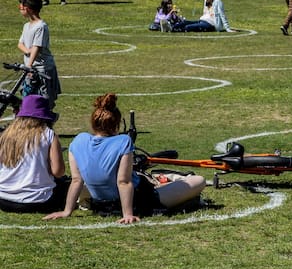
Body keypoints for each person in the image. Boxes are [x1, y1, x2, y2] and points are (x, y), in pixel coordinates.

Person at [45, 93, 205, 224]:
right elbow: (123, 181)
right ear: (117, 124)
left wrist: (67, 211)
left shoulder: (78, 140)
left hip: (101, 204)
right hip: (140, 199)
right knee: (198, 180)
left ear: (93, 122)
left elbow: (76, 181)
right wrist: (127, 213)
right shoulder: (123, 141)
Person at [0, 95, 69, 213]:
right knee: (67, 185)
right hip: (38, 200)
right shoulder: (48, 135)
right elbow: (58, 172)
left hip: (4, 198)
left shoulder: (6, 134)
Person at [17, 0, 61, 105]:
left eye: (20, 8)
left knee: (43, 101)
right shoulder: (26, 26)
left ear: (27, 8)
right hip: (30, 69)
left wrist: (29, 66)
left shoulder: (41, 26)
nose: (20, 10)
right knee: (28, 100)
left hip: (42, 69)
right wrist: (27, 51)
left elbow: (37, 47)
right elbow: (20, 44)